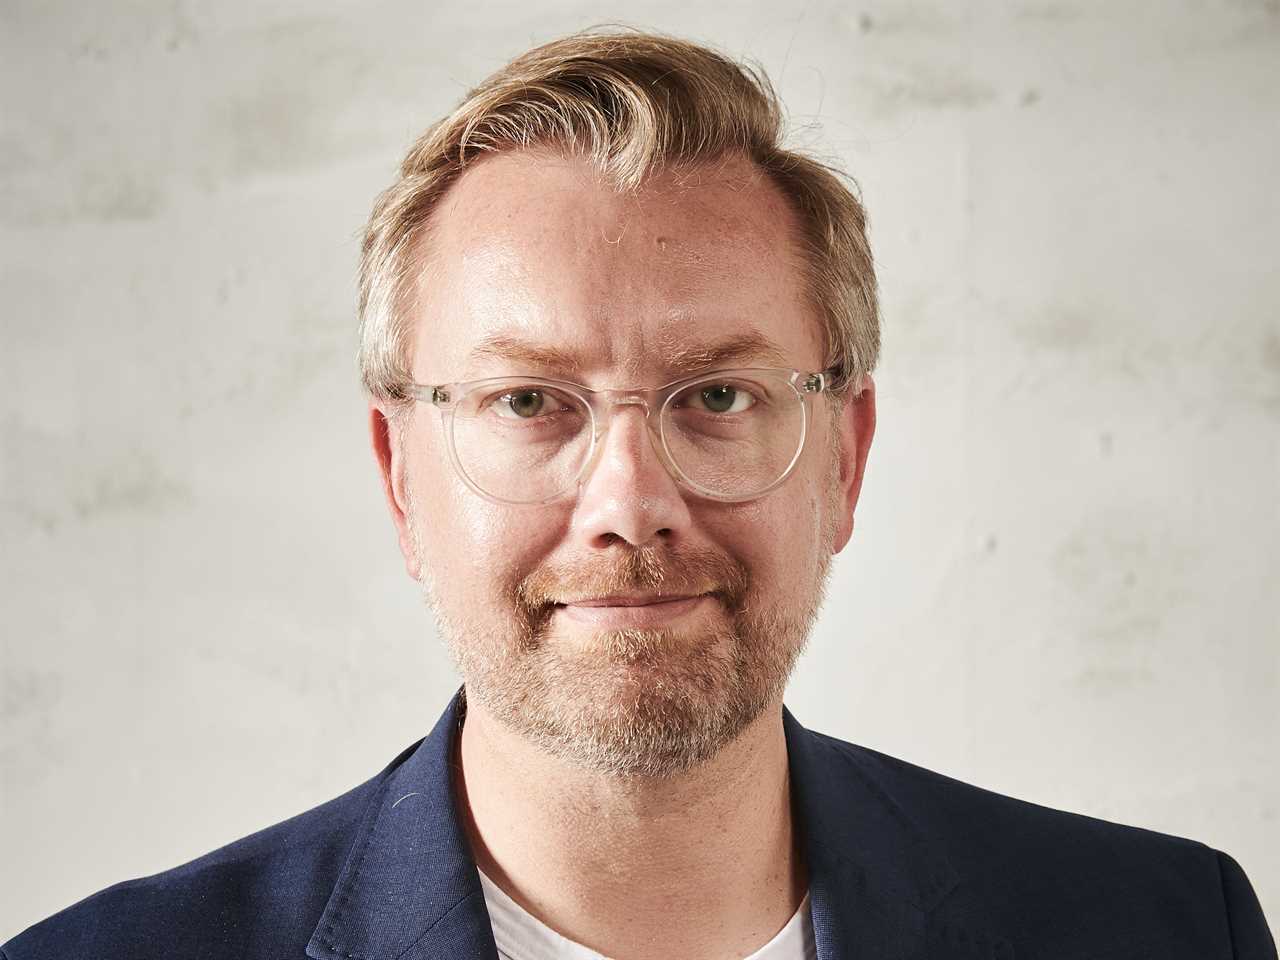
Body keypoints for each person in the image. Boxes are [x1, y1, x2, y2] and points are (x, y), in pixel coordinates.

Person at [3, 27, 1274, 960]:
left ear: (844, 458)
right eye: (527, 402)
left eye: (716, 397)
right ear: (400, 478)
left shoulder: (1160, 930)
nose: (628, 502)